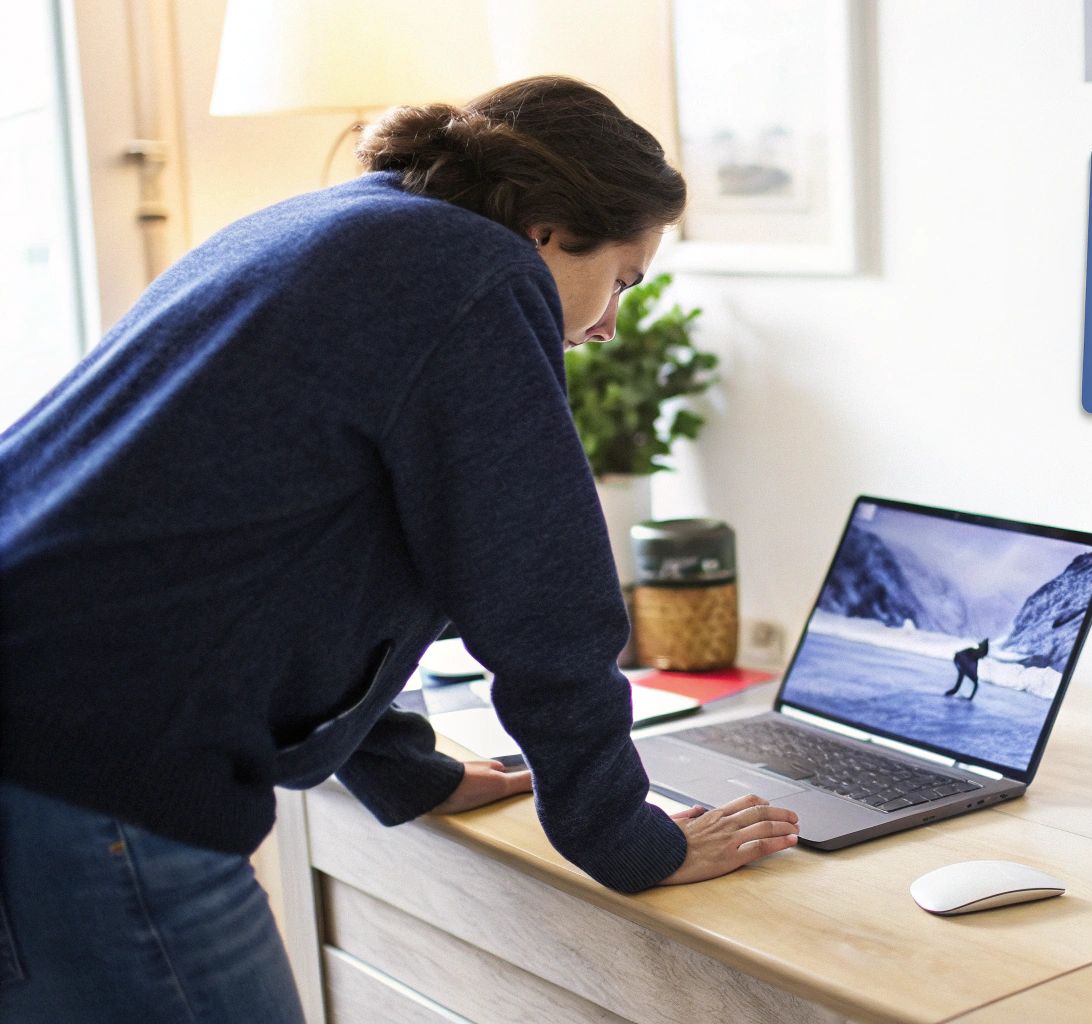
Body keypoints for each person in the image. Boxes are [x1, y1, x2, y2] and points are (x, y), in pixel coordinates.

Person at [0, 76, 797, 1023]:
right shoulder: (475, 275)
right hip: (94, 757)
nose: (608, 325)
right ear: (547, 229)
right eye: (621, 279)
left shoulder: (341, 227)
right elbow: (542, 588)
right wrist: (628, 838)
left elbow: (305, 554)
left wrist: (401, 764)